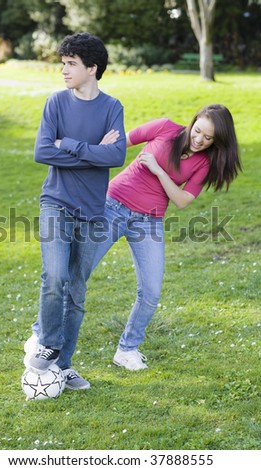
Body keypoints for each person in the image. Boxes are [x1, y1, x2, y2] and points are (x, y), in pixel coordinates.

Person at [90, 104, 242, 371]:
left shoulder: (204, 163)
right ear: (193, 121)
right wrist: (93, 155)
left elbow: (182, 200)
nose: (199, 140)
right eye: (198, 131)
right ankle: (44, 337)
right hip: (112, 206)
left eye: (208, 139)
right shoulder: (164, 128)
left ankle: (127, 349)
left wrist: (159, 170)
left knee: (151, 292)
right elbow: (122, 143)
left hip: (149, 221)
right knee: (77, 273)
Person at [24, 32, 126, 389]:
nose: (64, 70)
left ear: (92, 68)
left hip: (92, 211)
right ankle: (49, 344)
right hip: (56, 201)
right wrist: (92, 151)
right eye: (63, 63)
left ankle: (64, 365)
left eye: (71, 64)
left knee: (77, 289)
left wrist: (67, 145)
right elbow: (41, 152)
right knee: (54, 276)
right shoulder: (56, 103)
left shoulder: (112, 107)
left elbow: (116, 156)